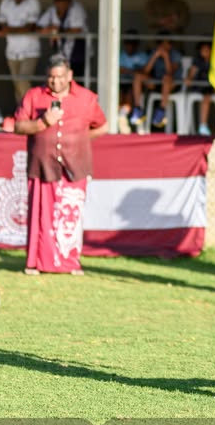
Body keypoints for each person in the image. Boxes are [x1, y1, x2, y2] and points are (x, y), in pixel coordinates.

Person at [13, 54, 107, 275]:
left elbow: (102, 126)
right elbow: (18, 126)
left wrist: (80, 139)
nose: (55, 82)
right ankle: (36, 262)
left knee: (70, 216)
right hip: (42, 163)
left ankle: (70, 262)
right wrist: (43, 123)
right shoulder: (34, 96)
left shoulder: (86, 98)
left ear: (70, 76)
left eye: (60, 77)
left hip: (75, 165)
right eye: (51, 78)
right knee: (40, 215)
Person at [0, 0, 42, 105]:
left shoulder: (33, 2)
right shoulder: (6, 2)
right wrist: (19, 29)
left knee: (23, 81)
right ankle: (21, 114)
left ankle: (31, 108)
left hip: (30, 51)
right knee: (17, 85)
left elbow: (30, 27)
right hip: (11, 50)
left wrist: (9, 29)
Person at [129, 33, 182, 130]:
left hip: (172, 85)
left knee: (166, 78)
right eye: (161, 44)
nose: (164, 47)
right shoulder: (154, 52)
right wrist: (155, 56)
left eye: (166, 44)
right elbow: (146, 71)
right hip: (157, 84)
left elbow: (170, 72)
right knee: (138, 76)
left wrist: (166, 57)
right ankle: (138, 109)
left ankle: (161, 112)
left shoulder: (175, 54)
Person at [37, 0, 89, 77]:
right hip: (60, 52)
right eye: (58, 0)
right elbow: (38, 27)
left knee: (76, 79)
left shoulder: (76, 8)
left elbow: (76, 30)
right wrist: (50, 29)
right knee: (60, 79)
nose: (61, 3)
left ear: (69, 1)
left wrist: (57, 30)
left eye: (64, 0)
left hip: (78, 51)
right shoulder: (52, 10)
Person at [117, 31, 149, 133]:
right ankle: (121, 117)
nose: (129, 46)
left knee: (131, 94)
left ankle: (123, 115)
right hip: (121, 83)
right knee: (118, 94)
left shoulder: (142, 56)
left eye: (132, 44)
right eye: (127, 43)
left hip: (135, 85)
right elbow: (118, 70)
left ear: (136, 45)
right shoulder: (120, 55)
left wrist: (127, 70)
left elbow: (144, 72)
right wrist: (134, 71)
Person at [185, 41, 215, 136]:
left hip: (213, 86)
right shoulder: (198, 61)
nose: (205, 52)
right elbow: (191, 73)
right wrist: (189, 78)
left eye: (207, 50)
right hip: (200, 86)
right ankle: (203, 126)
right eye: (203, 50)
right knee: (205, 96)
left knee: (208, 96)